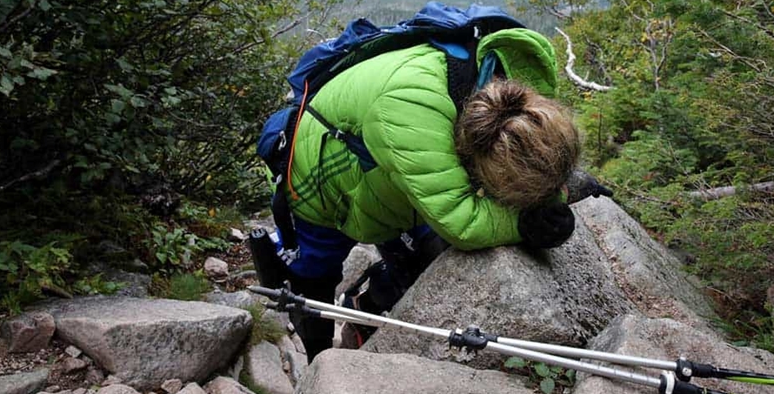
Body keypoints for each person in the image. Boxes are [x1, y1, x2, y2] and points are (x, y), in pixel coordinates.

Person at [257, 27, 608, 362]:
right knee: (312, 285)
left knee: (418, 265)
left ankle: (362, 312)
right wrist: (526, 224)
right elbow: (462, 222)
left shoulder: (518, 92)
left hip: (393, 181)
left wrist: (561, 191)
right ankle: (319, 361)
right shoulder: (413, 110)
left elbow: (530, 157)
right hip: (318, 188)